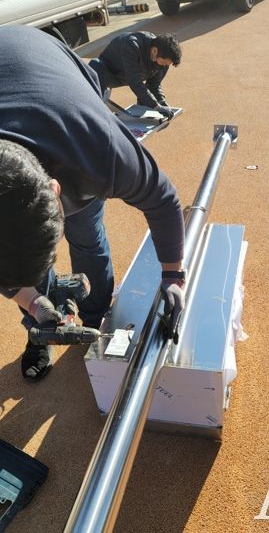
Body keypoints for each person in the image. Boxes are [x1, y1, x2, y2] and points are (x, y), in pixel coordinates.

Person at [0, 25, 186, 382]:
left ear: (56, 189)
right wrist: (33, 302)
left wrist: (173, 275)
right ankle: (42, 329)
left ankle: (96, 314)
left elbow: (162, 199)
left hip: (48, 70)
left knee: (86, 232)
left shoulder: (100, 148)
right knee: (18, 256)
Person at [89, 31, 182, 120]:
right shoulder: (131, 45)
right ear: (154, 51)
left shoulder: (163, 58)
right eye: (164, 63)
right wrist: (156, 106)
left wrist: (162, 102)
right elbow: (134, 81)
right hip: (110, 74)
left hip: (129, 76)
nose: (164, 66)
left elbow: (154, 84)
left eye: (166, 64)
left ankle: (142, 108)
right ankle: (94, 112)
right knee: (95, 65)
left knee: (147, 100)